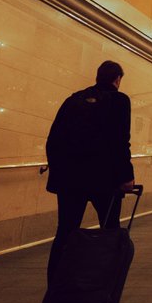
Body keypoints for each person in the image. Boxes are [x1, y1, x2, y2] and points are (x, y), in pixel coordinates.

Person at [45, 61, 135, 286]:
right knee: (110, 231)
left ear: (98, 77)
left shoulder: (73, 100)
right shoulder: (119, 100)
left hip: (70, 181)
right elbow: (120, 141)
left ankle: (55, 287)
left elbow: (53, 140)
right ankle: (105, 285)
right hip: (105, 180)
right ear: (117, 79)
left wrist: (59, 174)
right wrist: (126, 176)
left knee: (65, 232)